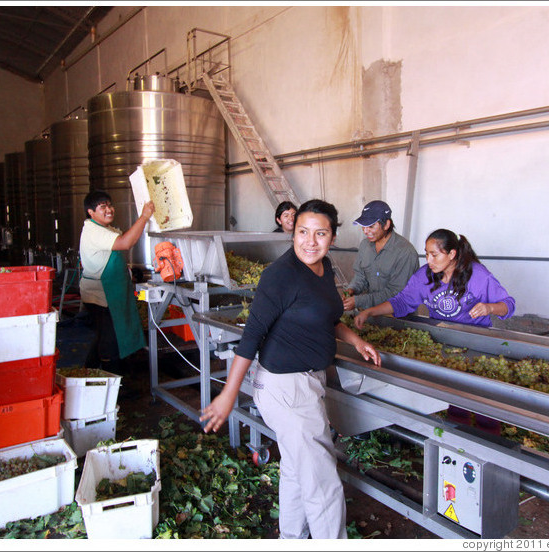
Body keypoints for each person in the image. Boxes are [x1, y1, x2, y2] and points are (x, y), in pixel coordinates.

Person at [200, 199, 381, 539]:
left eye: (320, 233)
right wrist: (227, 394)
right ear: (292, 231)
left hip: (307, 383)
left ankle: (291, 539)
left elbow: (327, 317)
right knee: (323, 485)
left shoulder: (324, 268)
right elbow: (251, 337)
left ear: (332, 236)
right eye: (302, 232)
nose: (310, 242)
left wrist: (355, 340)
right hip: (287, 390)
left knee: (298, 472)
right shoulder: (279, 277)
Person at [354, 228, 515, 434]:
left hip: (476, 346)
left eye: (435, 255)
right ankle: (458, 437)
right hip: (442, 345)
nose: (429, 260)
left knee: (482, 398)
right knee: (453, 396)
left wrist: (490, 307)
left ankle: (491, 440)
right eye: (427, 254)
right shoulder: (426, 275)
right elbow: (402, 301)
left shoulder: (477, 275)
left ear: (452, 254)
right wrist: (371, 312)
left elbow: (509, 305)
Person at [79, 190, 155, 376]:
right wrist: (144, 217)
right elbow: (126, 243)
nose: (109, 210)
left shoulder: (105, 229)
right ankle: (112, 386)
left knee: (102, 338)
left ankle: (87, 376)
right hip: (102, 296)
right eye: (102, 207)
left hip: (110, 293)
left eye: (110, 205)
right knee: (109, 343)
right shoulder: (94, 231)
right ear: (91, 212)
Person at [342, 200, 420, 312]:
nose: (365, 231)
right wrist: (351, 290)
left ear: (386, 225)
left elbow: (396, 293)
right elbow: (360, 276)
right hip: (370, 314)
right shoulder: (365, 246)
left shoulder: (405, 252)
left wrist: (359, 301)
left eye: (371, 226)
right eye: (363, 227)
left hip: (398, 316)